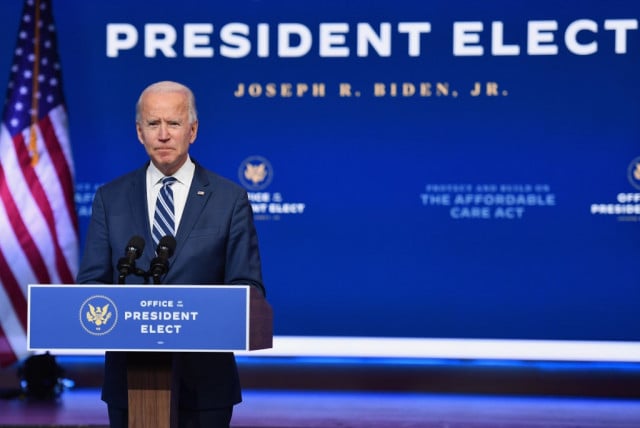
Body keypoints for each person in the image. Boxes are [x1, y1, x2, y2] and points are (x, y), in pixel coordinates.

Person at [76, 80, 265, 428]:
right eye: (153, 124)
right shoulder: (110, 197)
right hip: (129, 383)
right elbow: (91, 284)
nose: (163, 134)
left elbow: (247, 288)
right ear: (139, 132)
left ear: (192, 131)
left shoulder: (229, 199)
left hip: (205, 386)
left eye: (173, 124)